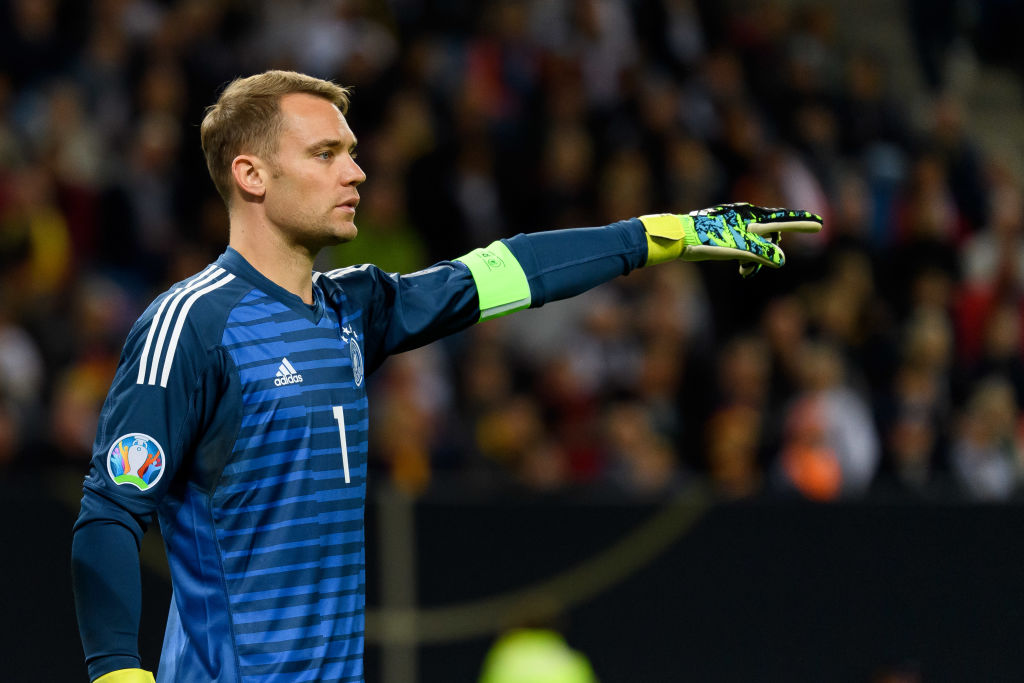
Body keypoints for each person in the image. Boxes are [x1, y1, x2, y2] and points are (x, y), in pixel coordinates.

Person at [70, 70, 822, 683]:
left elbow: (501, 270)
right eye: (327, 153)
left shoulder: (353, 310)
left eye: (354, 152)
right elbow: (107, 515)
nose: (357, 172)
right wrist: (117, 673)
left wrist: (668, 234)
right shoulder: (192, 326)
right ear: (251, 173)